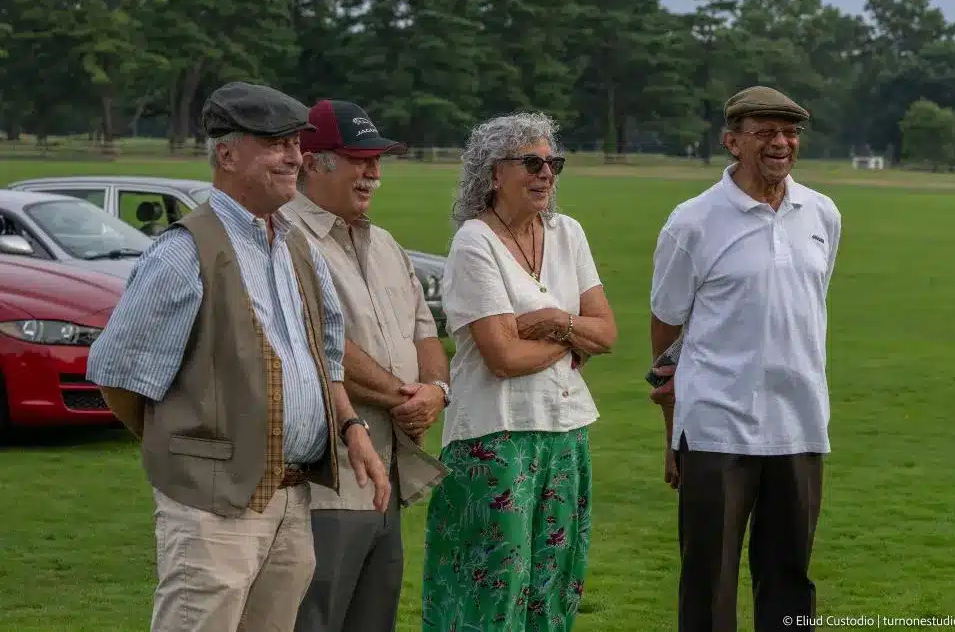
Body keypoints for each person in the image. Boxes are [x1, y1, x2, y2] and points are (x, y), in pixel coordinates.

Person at [85, 81, 391, 632]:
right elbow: (119, 377)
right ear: (226, 154)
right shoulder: (185, 251)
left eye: (295, 143)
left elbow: (324, 360)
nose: (294, 157)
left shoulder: (295, 245)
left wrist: (351, 427)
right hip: (211, 508)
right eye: (275, 144)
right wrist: (192, 452)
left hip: (292, 500)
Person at [648, 85, 842, 632]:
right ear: (732, 141)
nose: (781, 143)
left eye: (790, 132)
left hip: (800, 424)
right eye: (765, 133)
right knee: (709, 581)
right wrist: (674, 428)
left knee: (790, 578)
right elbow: (667, 327)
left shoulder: (822, 214)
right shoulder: (692, 222)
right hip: (716, 427)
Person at [421, 112, 618, 632]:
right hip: (495, 436)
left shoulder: (567, 233)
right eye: (532, 163)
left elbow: (607, 333)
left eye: (554, 163)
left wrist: (551, 322)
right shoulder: (475, 242)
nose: (547, 173)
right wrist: (572, 338)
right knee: (490, 587)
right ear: (493, 173)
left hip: (566, 431)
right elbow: (503, 359)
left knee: (554, 583)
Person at [283, 99, 450, 632]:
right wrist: (408, 399)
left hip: (387, 475)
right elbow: (323, 346)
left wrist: (437, 390)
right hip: (326, 480)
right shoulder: (285, 239)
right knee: (314, 619)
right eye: (360, 159)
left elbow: (426, 331)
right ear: (313, 162)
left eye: (377, 160)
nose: (374, 173)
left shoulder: (385, 243)